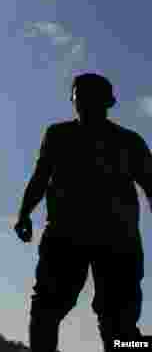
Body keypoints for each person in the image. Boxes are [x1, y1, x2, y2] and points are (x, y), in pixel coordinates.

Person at [15, 73, 152, 352]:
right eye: (80, 96)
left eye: (93, 97)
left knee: (120, 330)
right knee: (46, 311)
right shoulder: (58, 135)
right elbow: (40, 177)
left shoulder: (129, 142)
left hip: (117, 242)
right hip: (66, 237)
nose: (84, 102)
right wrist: (24, 213)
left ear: (109, 102)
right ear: (73, 100)